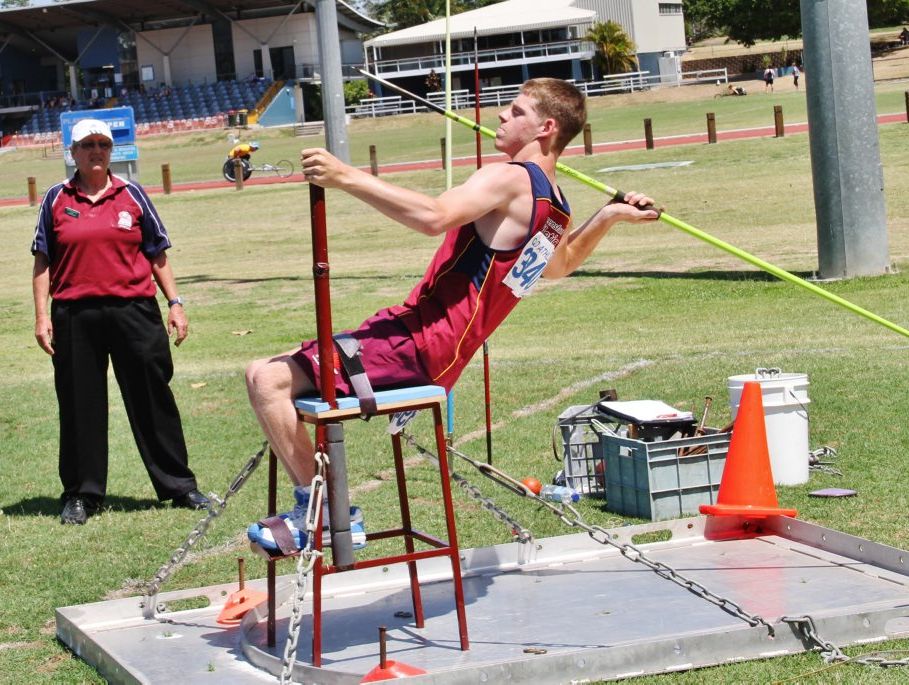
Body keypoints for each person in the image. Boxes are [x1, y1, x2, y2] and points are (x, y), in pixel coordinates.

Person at [244, 78, 658, 553]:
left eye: (515, 110)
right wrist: (609, 216)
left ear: (545, 127)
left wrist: (344, 176)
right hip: (436, 349)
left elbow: (434, 217)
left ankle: (324, 513)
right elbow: (559, 266)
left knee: (266, 378)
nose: (502, 116)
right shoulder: (555, 203)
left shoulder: (509, 177)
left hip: (421, 341)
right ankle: (322, 507)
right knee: (274, 370)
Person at [31, 118, 210, 525]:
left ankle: (179, 486)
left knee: (153, 396)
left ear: (111, 150)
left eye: (103, 144)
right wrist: (42, 315)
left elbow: (157, 252)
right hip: (76, 314)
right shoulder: (57, 198)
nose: (96, 151)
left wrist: (175, 303)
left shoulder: (133, 194)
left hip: (134, 310)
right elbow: (42, 259)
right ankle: (81, 494)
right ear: (72, 152)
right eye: (87, 145)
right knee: (80, 404)